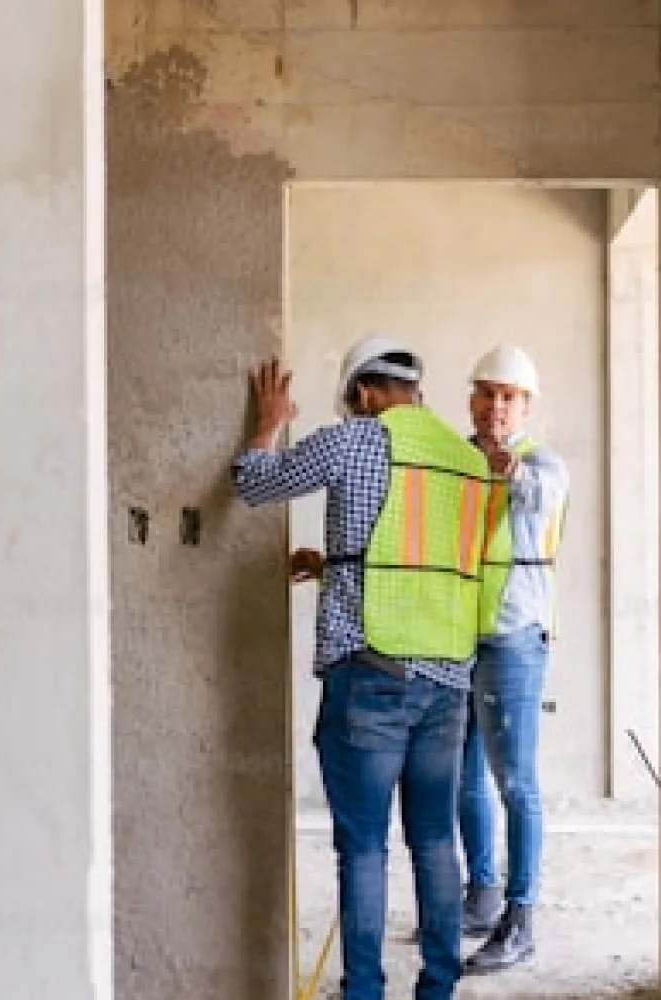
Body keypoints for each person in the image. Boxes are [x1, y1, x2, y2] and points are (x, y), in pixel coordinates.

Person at [234, 337, 500, 1000]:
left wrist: (267, 424)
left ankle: (364, 994)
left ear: (363, 393)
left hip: (372, 675)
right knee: (436, 843)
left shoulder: (353, 440)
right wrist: (332, 568)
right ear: (414, 390)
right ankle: (438, 987)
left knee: (364, 849)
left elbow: (254, 483)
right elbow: (429, 565)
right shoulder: (466, 461)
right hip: (446, 680)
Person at [457, 344, 569, 974]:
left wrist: (502, 463)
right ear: (472, 398)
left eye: (510, 397)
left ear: (526, 406)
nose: (497, 407)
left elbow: (532, 500)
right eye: (488, 393)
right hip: (459, 638)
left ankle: (520, 918)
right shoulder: (462, 464)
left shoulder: (543, 466)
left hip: (514, 640)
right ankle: (482, 894)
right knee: (462, 777)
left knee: (516, 783)